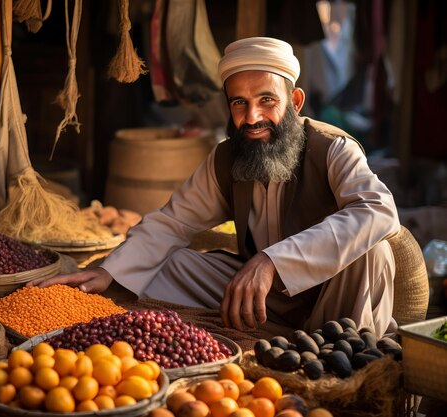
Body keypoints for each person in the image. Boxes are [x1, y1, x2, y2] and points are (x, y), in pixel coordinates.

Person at [32, 37, 400, 338]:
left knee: (374, 252)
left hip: (328, 296)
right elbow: (173, 223)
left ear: (296, 102)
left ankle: (344, 354)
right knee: (158, 266)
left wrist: (273, 260)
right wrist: (110, 272)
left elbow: (379, 211)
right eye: (240, 103)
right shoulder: (227, 157)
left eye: (267, 100)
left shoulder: (333, 148)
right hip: (259, 298)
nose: (252, 117)